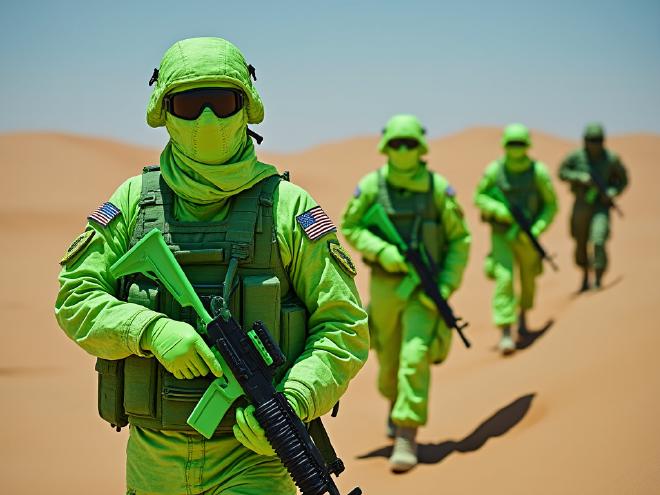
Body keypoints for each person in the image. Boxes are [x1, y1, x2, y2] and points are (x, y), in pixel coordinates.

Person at [55, 37, 369, 495]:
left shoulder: (287, 206)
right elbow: (74, 298)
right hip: (153, 459)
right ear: (164, 112)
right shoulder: (132, 203)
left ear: (247, 107)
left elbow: (343, 327)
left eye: (221, 102)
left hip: (255, 460)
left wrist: (295, 398)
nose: (207, 119)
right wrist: (150, 331)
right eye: (188, 103)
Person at [341, 114, 471, 472]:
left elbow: (460, 240)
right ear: (386, 147)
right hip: (385, 285)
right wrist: (384, 252)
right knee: (387, 358)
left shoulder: (436, 189)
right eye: (396, 144)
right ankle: (395, 406)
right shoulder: (372, 186)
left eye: (409, 144)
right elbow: (350, 225)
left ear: (421, 147)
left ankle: (406, 431)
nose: (402, 151)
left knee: (415, 355)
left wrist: (444, 286)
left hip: (424, 292)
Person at [474, 123, 557, 355]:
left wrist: (537, 229)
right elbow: (479, 196)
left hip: (527, 236)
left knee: (528, 278)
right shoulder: (495, 171)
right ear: (504, 146)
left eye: (519, 144)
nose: (515, 149)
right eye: (512, 144)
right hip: (502, 234)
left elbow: (551, 205)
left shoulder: (537, 172)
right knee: (505, 278)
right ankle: (505, 331)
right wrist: (501, 211)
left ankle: (523, 317)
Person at [558, 123, 629, 291]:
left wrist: (612, 191)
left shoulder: (611, 159)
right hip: (581, 204)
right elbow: (562, 172)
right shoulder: (576, 157)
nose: (594, 144)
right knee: (580, 241)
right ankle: (584, 274)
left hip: (601, 205)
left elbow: (623, 180)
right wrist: (579, 177)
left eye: (597, 140)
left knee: (598, 239)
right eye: (591, 140)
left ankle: (598, 276)